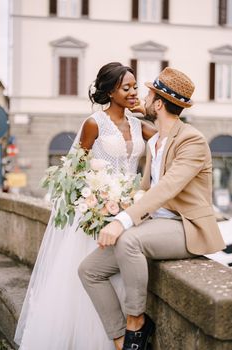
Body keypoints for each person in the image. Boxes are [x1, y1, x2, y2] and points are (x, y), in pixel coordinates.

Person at [78, 67, 226, 350]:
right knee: (89, 270)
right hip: (155, 224)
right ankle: (121, 338)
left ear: (158, 103)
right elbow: (144, 191)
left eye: (148, 93)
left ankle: (136, 323)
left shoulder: (191, 140)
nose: (141, 97)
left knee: (129, 240)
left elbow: (167, 188)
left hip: (185, 226)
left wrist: (122, 221)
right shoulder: (155, 141)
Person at [14, 62, 156, 350]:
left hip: (129, 213)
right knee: (90, 276)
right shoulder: (94, 124)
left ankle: (120, 336)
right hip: (97, 212)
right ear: (109, 91)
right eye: (125, 87)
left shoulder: (139, 126)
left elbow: (171, 137)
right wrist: (100, 198)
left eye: (134, 87)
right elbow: (74, 172)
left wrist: (147, 110)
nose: (132, 92)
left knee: (119, 273)